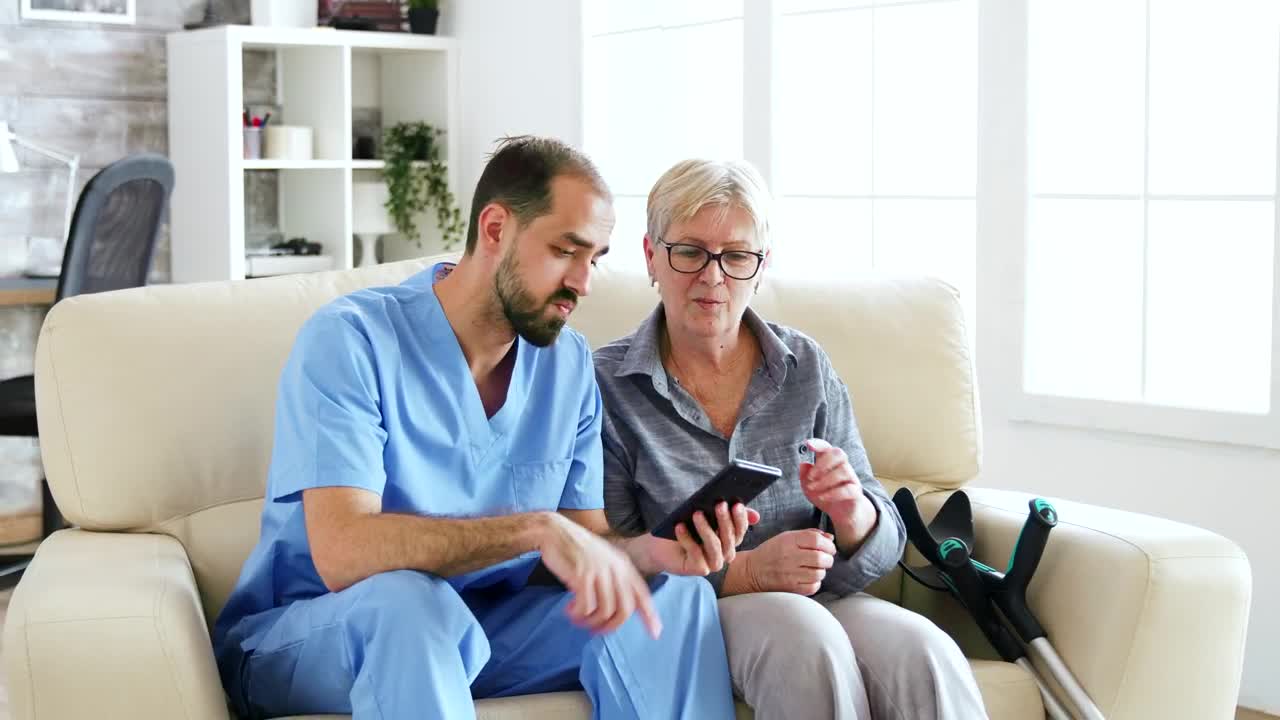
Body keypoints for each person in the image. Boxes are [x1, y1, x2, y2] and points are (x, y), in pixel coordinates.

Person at [212, 137, 753, 720]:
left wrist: (648, 552)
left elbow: (582, 542)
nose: (583, 282)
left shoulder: (566, 364)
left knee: (672, 597)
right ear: (495, 229)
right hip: (320, 632)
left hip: (483, 631)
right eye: (565, 251)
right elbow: (343, 552)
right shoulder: (351, 341)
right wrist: (534, 530)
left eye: (593, 258)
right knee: (407, 604)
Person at [594, 158, 990, 720]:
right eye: (689, 251)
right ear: (651, 256)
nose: (713, 278)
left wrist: (854, 514)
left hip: (825, 596)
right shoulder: (605, 386)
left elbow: (883, 540)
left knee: (925, 651)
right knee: (806, 642)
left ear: (760, 266)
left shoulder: (804, 364)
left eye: (735, 256)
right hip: (698, 610)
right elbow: (605, 551)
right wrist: (748, 573)